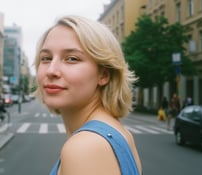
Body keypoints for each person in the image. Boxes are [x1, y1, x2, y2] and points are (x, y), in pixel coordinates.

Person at [35, 15, 142, 175]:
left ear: (104, 75)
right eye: (46, 58)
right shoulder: (115, 132)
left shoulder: (86, 147)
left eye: (71, 59)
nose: (51, 70)